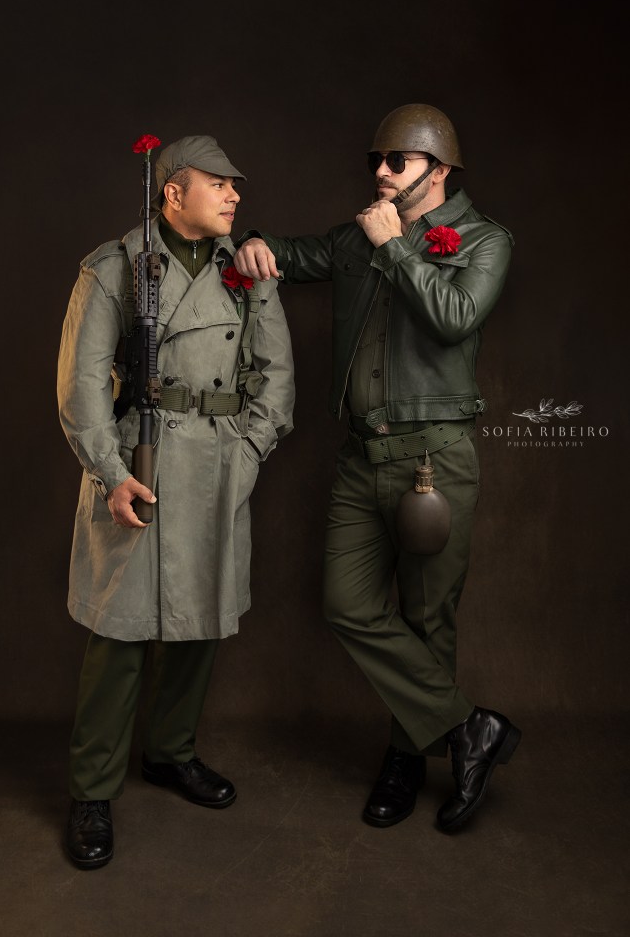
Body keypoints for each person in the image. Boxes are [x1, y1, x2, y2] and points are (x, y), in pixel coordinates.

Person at [234, 103, 520, 833]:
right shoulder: (359, 235)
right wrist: (257, 243)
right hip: (362, 458)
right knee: (346, 605)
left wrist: (397, 250)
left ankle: (405, 756)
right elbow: (295, 255)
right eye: (376, 162)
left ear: (439, 169)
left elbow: (454, 317)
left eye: (397, 161)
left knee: (428, 619)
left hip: (433, 461)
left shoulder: (484, 240)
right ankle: (464, 729)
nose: (382, 173)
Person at [57, 135, 295, 869]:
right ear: (171, 192)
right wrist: (109, 470)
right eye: (217, 184)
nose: (233, 196)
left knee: (198, 623)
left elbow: (274, 372)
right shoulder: (115, 267)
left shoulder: (245, 270)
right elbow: (81, 384)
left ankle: (170, 753)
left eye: (236, 187)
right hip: (138, 458)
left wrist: (250, 451)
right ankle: (92, 791)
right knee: (121, 632)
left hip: (219, 462)